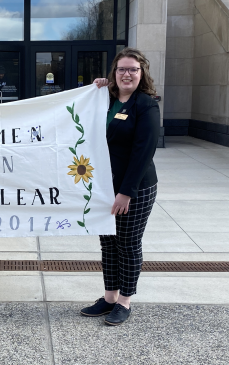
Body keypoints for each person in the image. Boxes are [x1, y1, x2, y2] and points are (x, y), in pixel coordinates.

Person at [80, 47, 160, 326]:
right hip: (104, 184)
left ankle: (125, 301)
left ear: (142, 73)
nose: (127, 74)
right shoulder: (105, 99)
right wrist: (96, 88)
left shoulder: (145, 105)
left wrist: (126, 192)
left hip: (134, 187)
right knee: (107, 242)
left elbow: (143, 152)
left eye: (133, 69)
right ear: (114, 72)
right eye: (122, 69)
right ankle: (109, 297)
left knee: (127, 242)